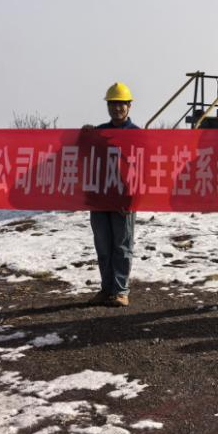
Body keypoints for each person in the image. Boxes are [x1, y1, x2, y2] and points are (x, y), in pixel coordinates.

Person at [83, 82, 139, 307]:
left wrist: (133, 198)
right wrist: (84, 135)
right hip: (99, 198)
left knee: (122, 246)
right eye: (112, 104)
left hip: (124, 199)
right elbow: (82, 154)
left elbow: (143, 168)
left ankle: (121, 290)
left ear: (129, 106)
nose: (116, 108)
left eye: (121, 104)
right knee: (103, 246)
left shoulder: (137, 134)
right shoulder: (99, 132)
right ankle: (107, 289)